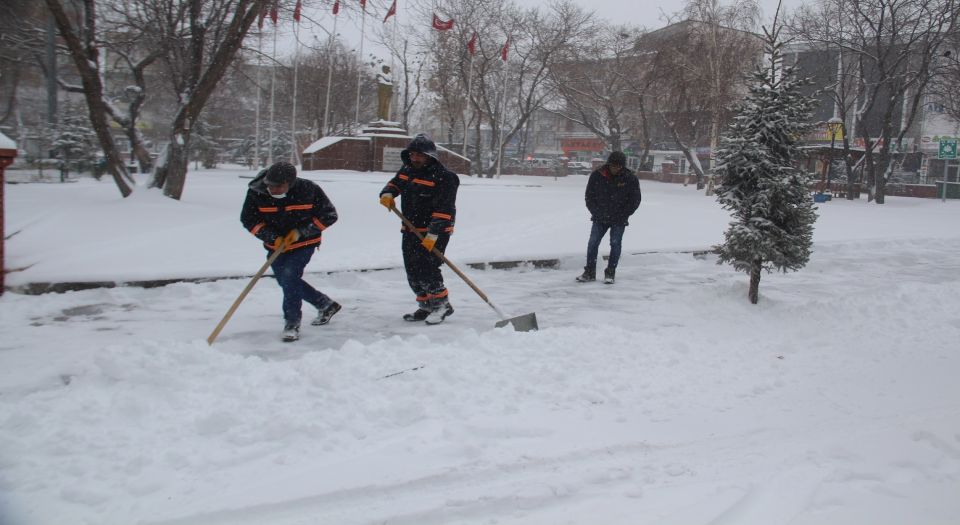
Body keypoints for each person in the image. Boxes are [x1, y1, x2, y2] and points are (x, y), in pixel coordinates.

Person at [241, 161, 341, 342]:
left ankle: (292, 322)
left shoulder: (308, 190)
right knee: (287, 281)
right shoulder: (257, 192)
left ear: (291, 182)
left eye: (279, 186)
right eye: (270, 185)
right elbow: (249, 219)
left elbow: (329, 215)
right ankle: (324, 304)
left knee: (288, 277)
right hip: (276, 246)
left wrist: (300, 232)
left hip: (304, 244)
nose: (273, 190)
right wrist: (272, 237)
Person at [379, 134, 460, 325]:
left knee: (427, 267)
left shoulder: (445, 177)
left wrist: (433, 234)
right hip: (410, 227)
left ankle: (441, 305)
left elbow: (444, 208)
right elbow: (395, 183)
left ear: (430, 156)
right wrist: (388, 193)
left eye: (419, 155)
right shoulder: (408, 169)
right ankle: (426, 305)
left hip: (436, 229)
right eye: (413, 154)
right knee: (412, 269)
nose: (415, 158)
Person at [576, 151, 642, 284]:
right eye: (613, 166)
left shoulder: (630, 178)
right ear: (608, 164)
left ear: (622, 166)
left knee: (615, 244)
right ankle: (590, 272)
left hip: (619, 219)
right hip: (600, 218)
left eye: (618, 167)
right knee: (593, 243)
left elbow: (635, 200)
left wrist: (623, 214)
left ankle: (610, 273)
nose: (615, 169)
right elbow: (589, 196)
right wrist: (596, 212)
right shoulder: (597, 175)